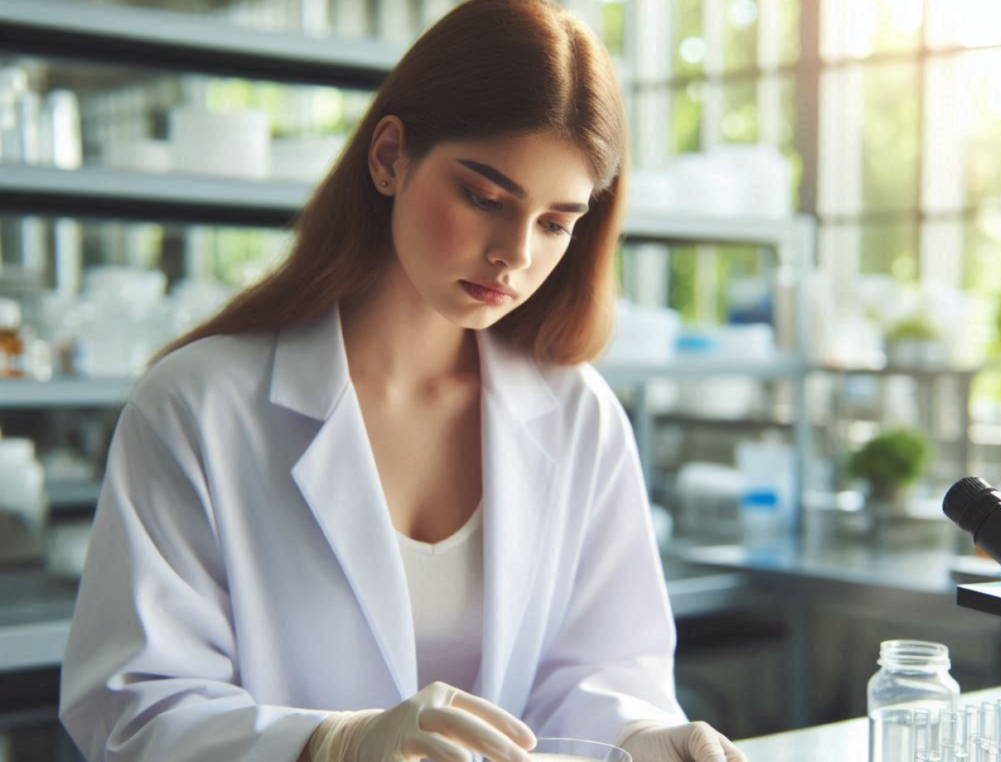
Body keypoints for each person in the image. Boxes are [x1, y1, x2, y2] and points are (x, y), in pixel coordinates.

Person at [58, 1, 747, 760]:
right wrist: (332, 746)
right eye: (485, 198)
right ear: (389, 157)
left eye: (555, 222)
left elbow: (601, 673)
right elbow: (132, 710)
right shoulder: (198, 406)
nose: (514, 254)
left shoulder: (579, 416)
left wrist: (643, 736)